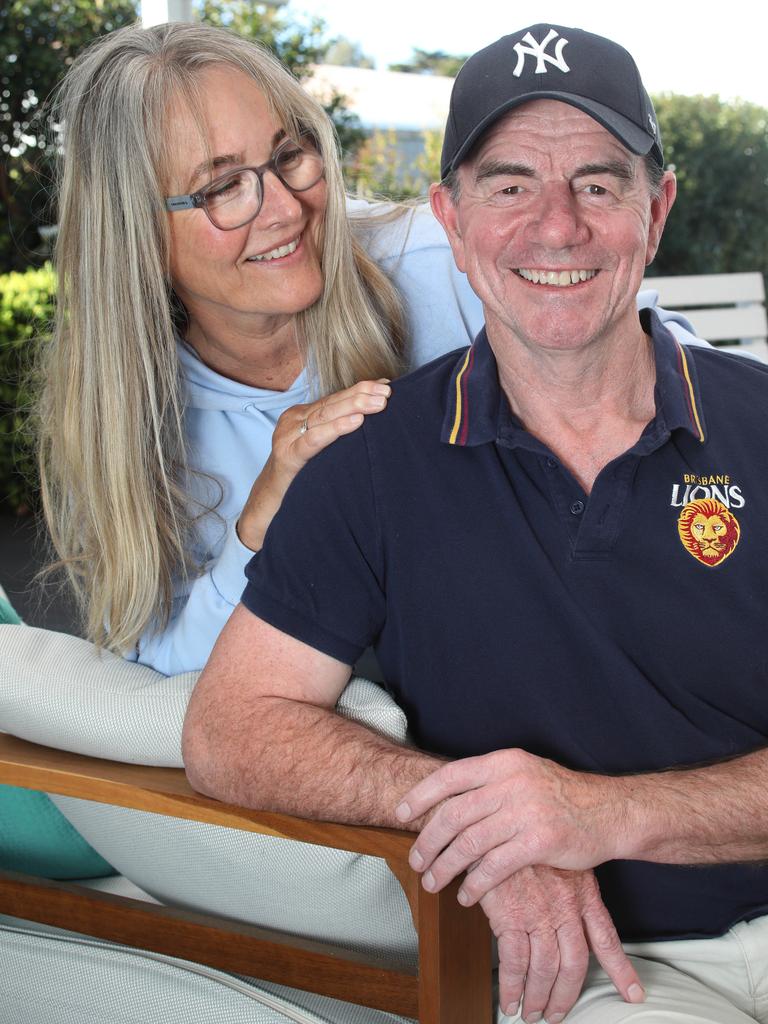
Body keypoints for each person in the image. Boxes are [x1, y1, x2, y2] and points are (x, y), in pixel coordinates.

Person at [183, 23, 768, 1024]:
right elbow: (231, 728)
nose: (556, 227)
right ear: (450, 221)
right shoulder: (369, 462)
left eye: (597, 183)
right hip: (626, 974)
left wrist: (598, 814)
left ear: (656, 208)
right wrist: (490, 823)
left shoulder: (757, 421)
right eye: (508, 188)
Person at [36, 21, 698, 677]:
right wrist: (263, 523)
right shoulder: (124, 420)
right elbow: (157, 661)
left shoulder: (450, 263)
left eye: (289, 154)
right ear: (138, 234)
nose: (284, 210)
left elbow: (680, 378)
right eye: (223, 187)